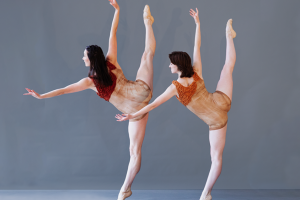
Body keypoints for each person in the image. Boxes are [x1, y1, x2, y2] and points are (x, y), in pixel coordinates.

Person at [24, 0, 156, 199]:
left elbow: (63, 90)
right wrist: (117, 10)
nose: (83, 58)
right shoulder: (111, 60)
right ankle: (148, 23)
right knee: (147, 56)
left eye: (85, 56)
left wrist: (41, 95)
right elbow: (113, 32)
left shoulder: (89, 82)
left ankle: (125, 189)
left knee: (134, 152)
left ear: (91, 59)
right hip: (142, 92)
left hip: (135, 112)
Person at [116, 8, 236, 200]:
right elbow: (197, 47)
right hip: (220, 102)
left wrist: (132, 115)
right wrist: (197, 24)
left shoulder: (176, 87)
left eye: (172, 63)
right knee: (227, 68)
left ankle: (206, 194)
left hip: (216, 120)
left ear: (178, 65)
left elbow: (154, 105)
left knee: (216, 159)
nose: (170, 65)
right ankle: (229, 36)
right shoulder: (196, 72)